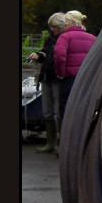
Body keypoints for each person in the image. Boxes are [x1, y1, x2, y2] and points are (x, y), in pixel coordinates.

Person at [29, 12, 67, 154]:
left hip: (57, 79)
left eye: (55, 26)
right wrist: (38, 55)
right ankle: (50, 142)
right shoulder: (50, 39)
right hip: (46, 77)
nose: (52, 29)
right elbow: (45, 53)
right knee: (47, 111)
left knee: (58, 111)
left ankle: (59, 143)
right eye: (51, 26)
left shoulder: (64, 39)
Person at [54, 10, 96, 123]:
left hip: (69, 78)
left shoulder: (65, 37)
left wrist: (60, 73)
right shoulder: (92, 38)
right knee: (82, 109)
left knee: (66, 109)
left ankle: (65, 136)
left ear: (72, 22)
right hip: (86, 79)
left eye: (66, 22)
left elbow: (59, 56)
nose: (64, 24)